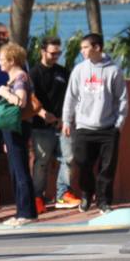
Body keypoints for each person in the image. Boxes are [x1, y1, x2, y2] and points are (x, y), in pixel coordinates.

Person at [62, 34, 128, 212]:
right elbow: (71, 97)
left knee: (107, 168)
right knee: (82, 163)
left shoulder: (114, 70)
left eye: (85, 47)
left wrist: (118, 124)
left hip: (108, 128)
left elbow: (121, 99)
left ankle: (103, 201)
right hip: (83, 126)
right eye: (82, 48)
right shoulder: (79, 70)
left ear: (97, 48)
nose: (82, 51)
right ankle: (86, 194)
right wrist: (67, 121)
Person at [29, 36, 78, 210]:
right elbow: (29, 98)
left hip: (62, 124)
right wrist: (43, 114)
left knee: (68, 158)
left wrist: (65, 119)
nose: (56, 56)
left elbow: (71, 97)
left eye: (59, 53)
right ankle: (37, 197)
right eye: (52, 53)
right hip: (41, 127)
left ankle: (62, 194)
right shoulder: (34, 73)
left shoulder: (63, 72)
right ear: (42, 51)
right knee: (42, 162)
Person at [0, 42, 37, 226]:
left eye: (2, 60)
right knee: (14, 170)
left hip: (18, 129)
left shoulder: (20, 78)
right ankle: (21, 211)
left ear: (12, 60)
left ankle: (27, 212)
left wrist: (4, 92)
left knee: (20, 171)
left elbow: (20, 102)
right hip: (11, 131)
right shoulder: (14, 78)